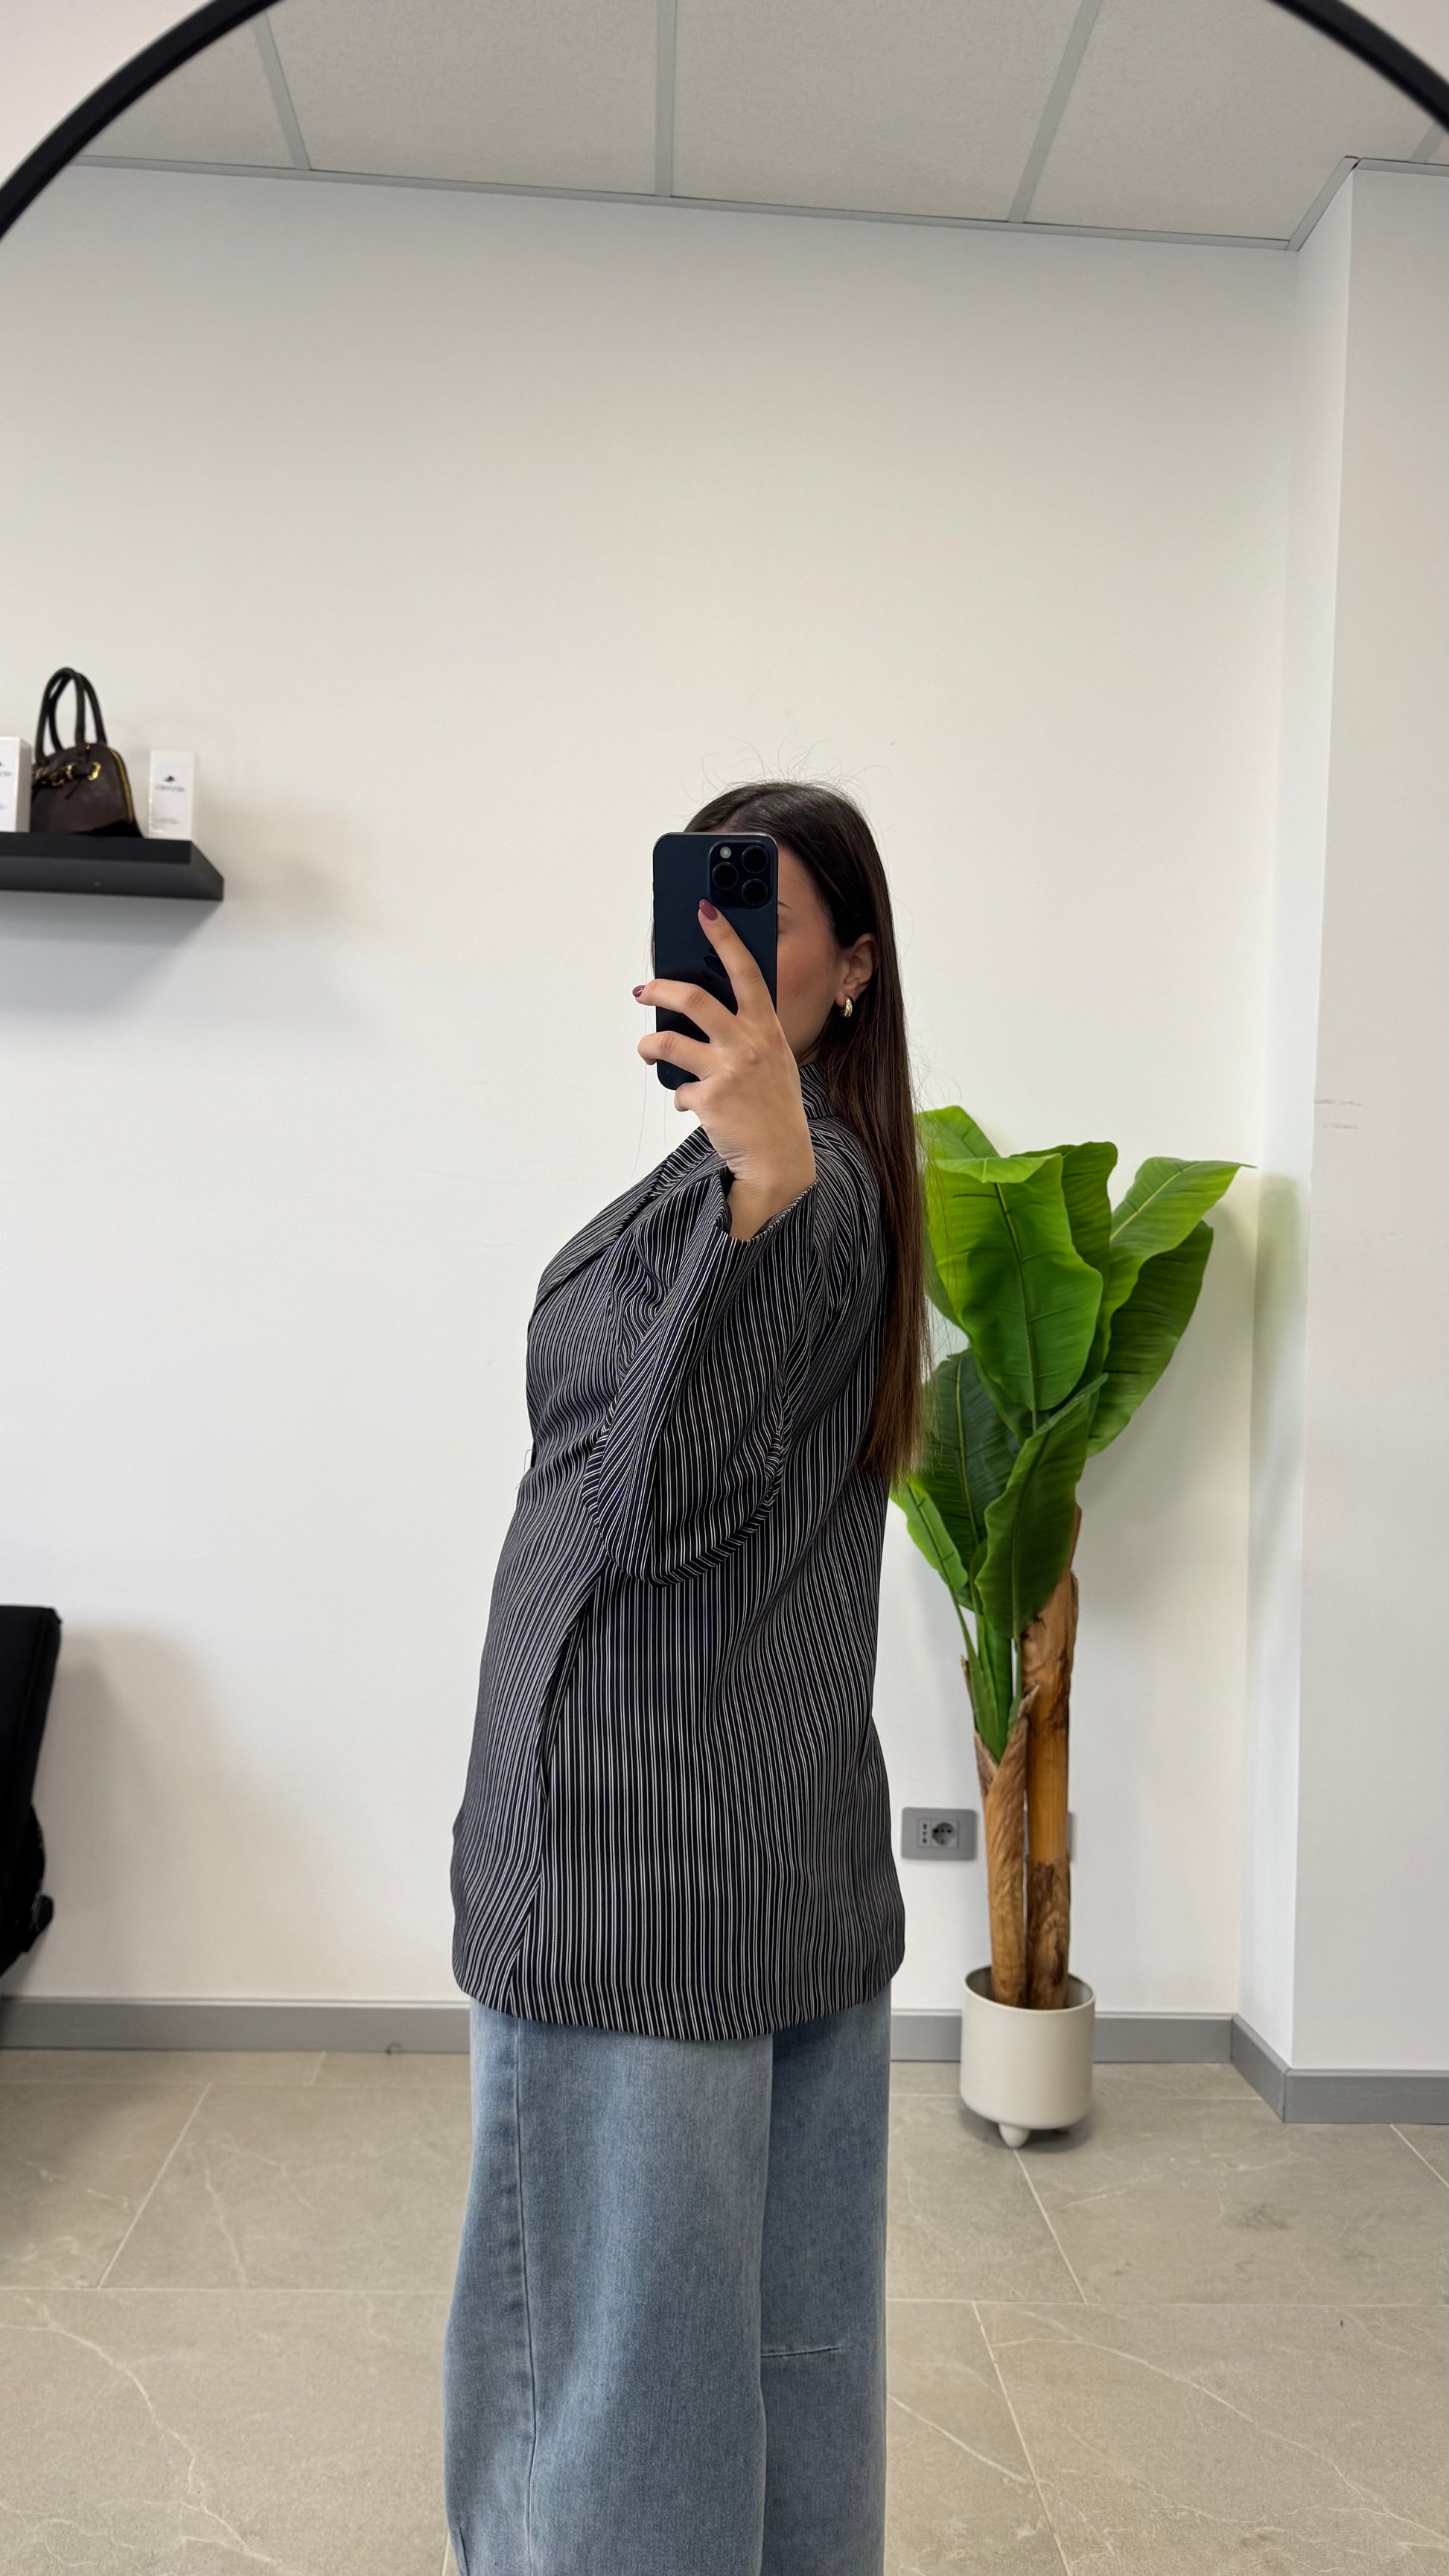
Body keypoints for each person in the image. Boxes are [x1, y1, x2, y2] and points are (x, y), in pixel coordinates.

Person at [442, 781, 928, 2576]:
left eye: (756, 920)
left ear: (850, 970)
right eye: (695, 913)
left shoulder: (801, 1192)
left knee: (604, 2389)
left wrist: (767, 1181)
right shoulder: (763, 1181)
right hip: (754, 1866)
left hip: (634, 1882)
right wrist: (753, 1172)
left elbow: (644, 1498)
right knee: (778, 2358)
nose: (712, 952)